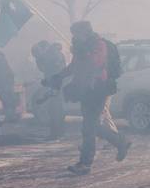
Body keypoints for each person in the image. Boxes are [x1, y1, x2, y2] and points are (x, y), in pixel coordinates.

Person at [45, 21, 131, 176]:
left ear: (85, 32)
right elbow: (74, 67)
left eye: (76, 33)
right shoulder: (81, 48)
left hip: (98, 89)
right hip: (85, 91)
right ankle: (120, 142)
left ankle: (85, 164)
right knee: (91, 126)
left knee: (89, 127)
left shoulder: (99, 45)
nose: (74, 37)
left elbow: (96, 63)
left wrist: (84, 51)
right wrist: (58, 76)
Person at [32, 40, 68, 139]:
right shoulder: (51, 54)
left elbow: (54, 70)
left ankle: (56, 134)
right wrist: (39, 58)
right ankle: (57, 133)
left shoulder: (54, 54)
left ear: (44, 48)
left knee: (55, 109)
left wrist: (40, 57)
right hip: (54, 85)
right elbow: (43, 69)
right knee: (54, 109)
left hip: (56, 86)